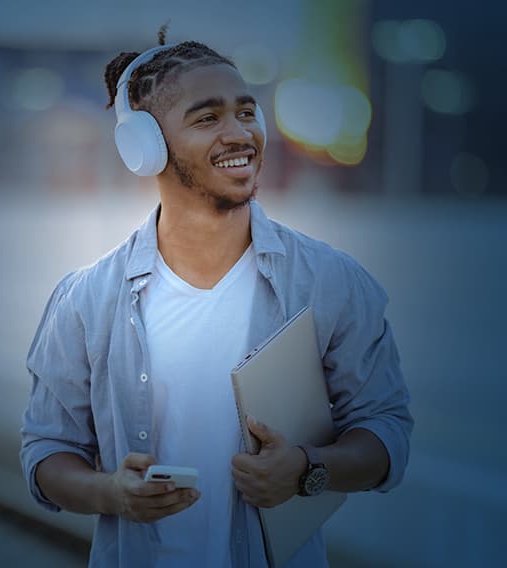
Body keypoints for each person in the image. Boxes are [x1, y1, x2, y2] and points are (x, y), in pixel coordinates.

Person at [20, 34, 413, 568]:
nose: (240, 134)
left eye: (246, 112)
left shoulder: (331, 282)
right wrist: (110, 493)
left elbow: (386, 432)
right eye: (207, 119)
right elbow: (45, 452)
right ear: (146, 146)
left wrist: (306, 468)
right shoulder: (86, 299)